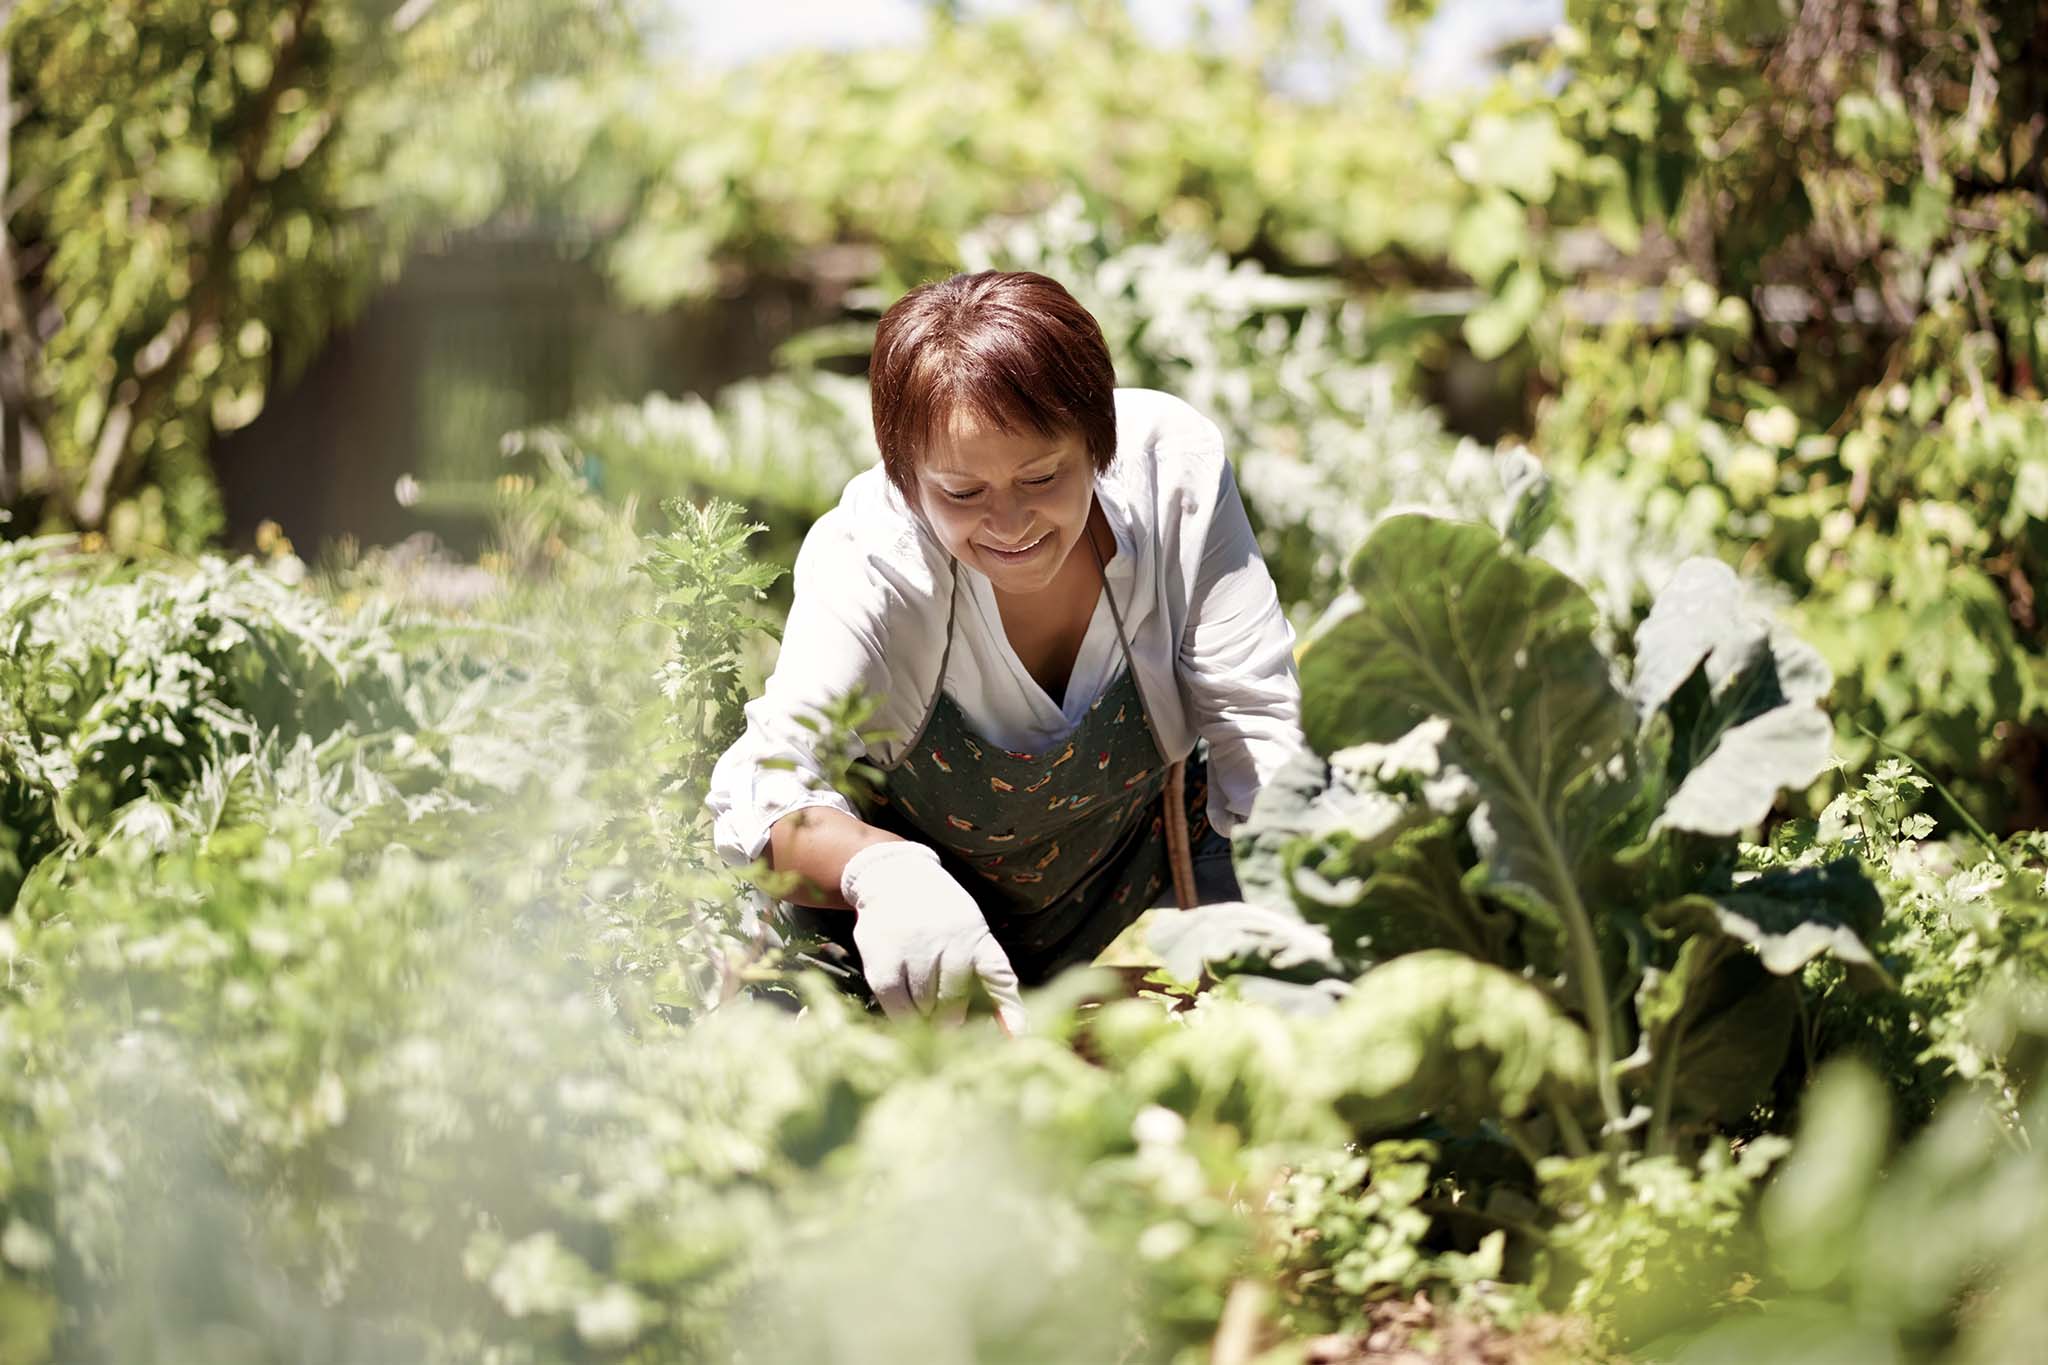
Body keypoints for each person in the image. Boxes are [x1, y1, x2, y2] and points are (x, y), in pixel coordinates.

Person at [706, 270, 1303, 1030]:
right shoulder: (874, 561)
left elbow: (1258, 729)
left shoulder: (1170, 475)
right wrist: (883, 870)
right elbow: (760, 789)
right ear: (906, 478)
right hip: (915, 955)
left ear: (1098, 444)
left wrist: (1299, 944)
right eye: (961, 492)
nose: (1010, 521)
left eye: (1043, 476)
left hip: (1127, 882)